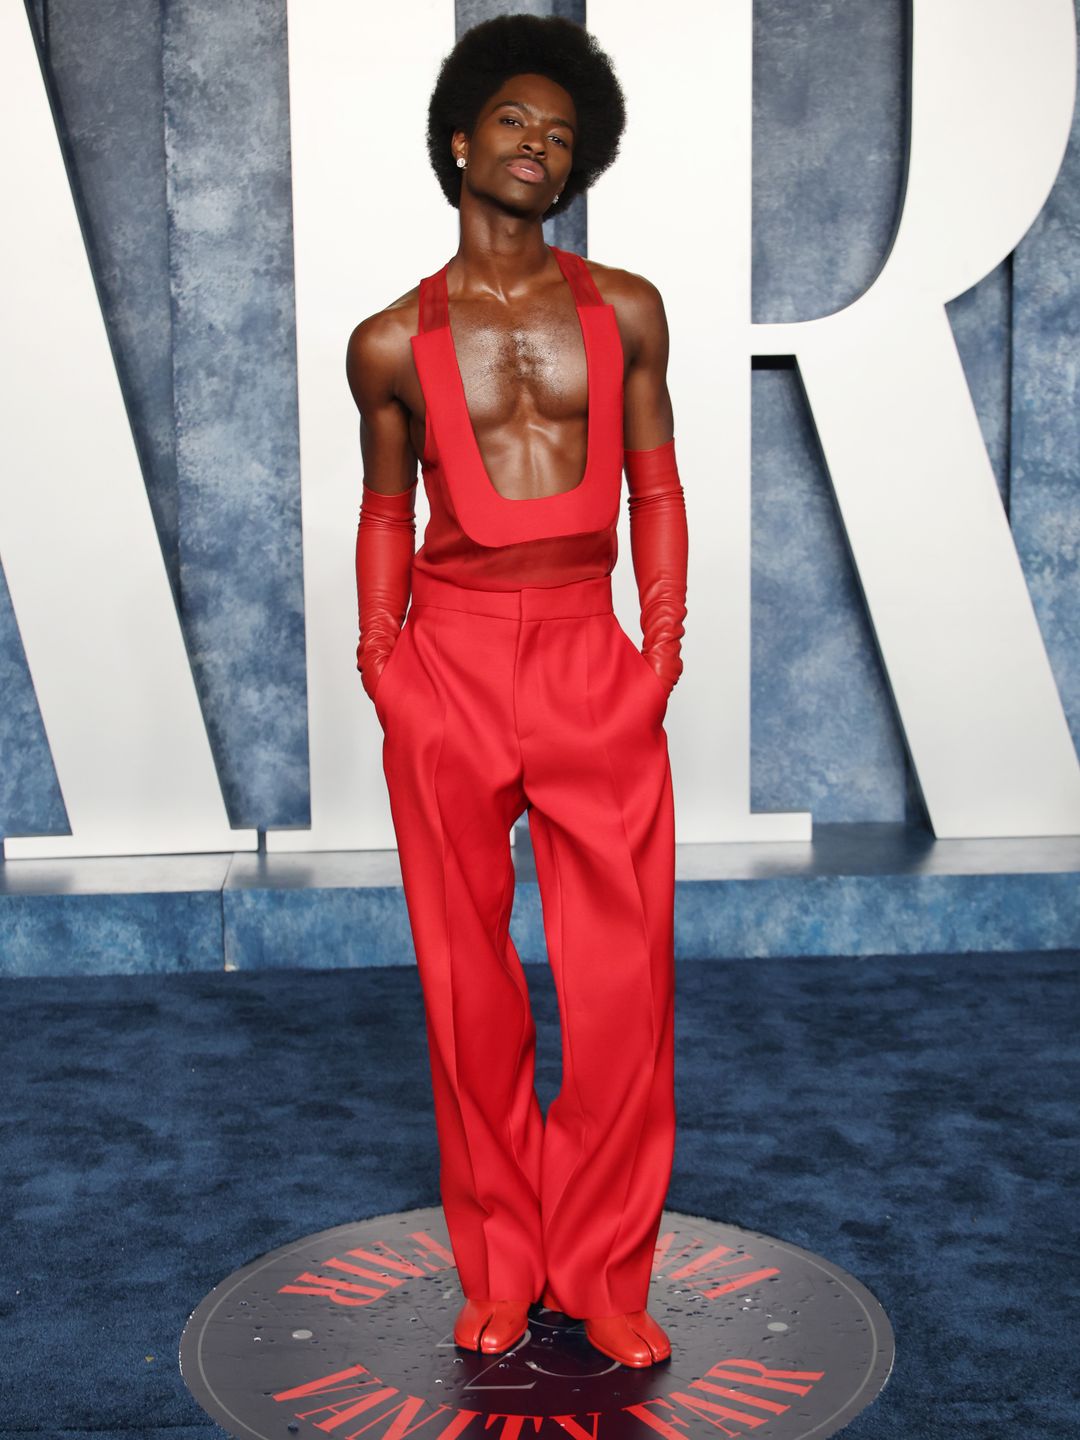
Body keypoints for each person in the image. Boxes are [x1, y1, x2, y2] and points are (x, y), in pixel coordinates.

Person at [345, 14, 688, 1369]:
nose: (537, 144)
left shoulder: (627, 308)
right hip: (452, 659)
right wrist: (385, 664)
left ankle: (604, 1272)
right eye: (512, 123)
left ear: (578, 157)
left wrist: (656, 653)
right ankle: (499, 1263)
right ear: (459, 141)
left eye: (561, 131)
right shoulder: (386, 342)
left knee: (620, 985)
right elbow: (384, 511)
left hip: (591, 654)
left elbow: (656, 488)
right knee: (466, 985)